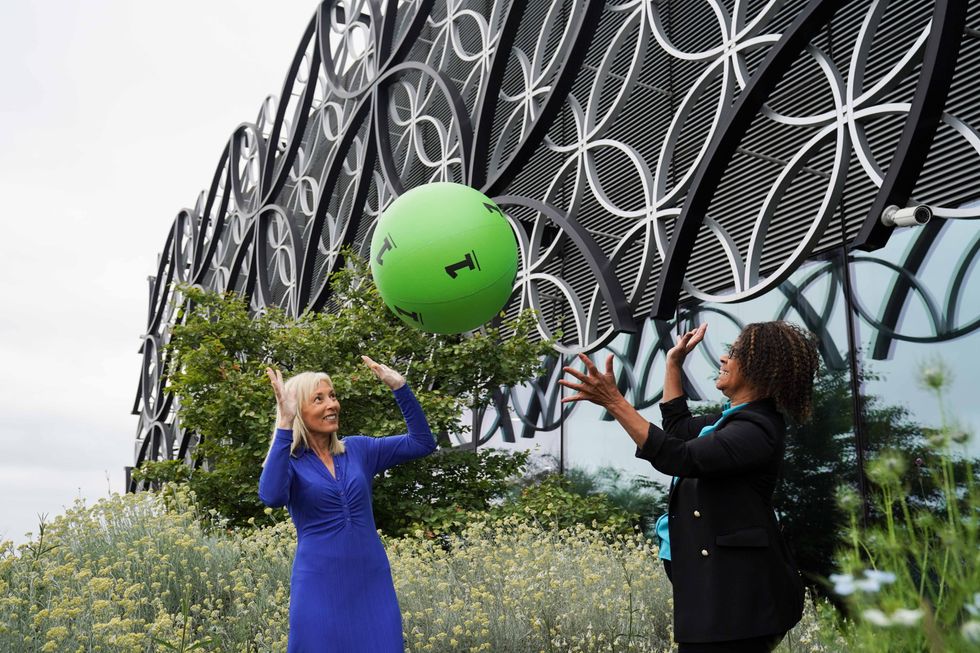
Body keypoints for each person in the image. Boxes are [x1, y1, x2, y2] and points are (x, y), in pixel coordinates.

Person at [559, 321, 818, 653]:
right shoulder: (728, 423)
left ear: (761, 368)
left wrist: (615, 403)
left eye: (736, 353)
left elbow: (678, 456)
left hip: (740, 605)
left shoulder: (757, 430)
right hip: (716, 601)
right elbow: (678, 427)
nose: (724, 358)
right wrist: (673, 363)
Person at [259, 355, 437, 653]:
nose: (332, 405)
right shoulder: (290, 462)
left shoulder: (358, 450)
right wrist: (284, 424)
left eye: (332, 396)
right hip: (319, 586)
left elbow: (422, 442)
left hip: (371, 582)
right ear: (299, 410)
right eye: (319, 399)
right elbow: (272, 496)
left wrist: (400, 388)